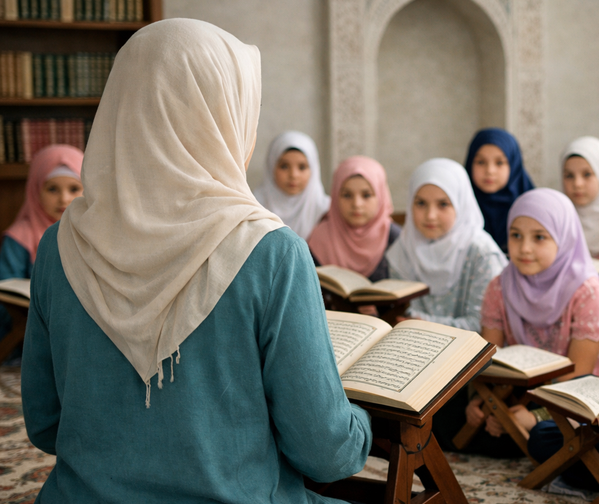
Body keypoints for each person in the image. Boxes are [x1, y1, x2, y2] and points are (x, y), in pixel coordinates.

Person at [21, 19, 371, 503]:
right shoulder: (272, 252)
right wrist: (362, 425)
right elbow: (325, 453)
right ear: (220, 116)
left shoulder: (58, 247)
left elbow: (44, 426)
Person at [447, 188, 599, 457]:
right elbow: (490, 363)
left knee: (545, 438)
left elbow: (578, 378)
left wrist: (535, 416)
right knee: (446, 413)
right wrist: (482, 402)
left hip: (595, 397)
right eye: (516, 235)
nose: (524, 248)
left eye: (539, 237)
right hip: (527, 393)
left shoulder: (587, 293)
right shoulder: (500, 287)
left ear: (563, 238)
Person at [386, 158, 506, 331]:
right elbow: (399, 313)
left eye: (443, 204)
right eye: (421, 203)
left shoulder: (481, 253)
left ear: (460, 205)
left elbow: (483, 326)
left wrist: (423, 324)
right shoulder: (402, 249)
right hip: (412, 350)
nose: (430, 216)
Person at [0, 144, 82, 350]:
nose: (64, 199)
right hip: (28, 335)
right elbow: (6, 291)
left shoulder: (94, 234)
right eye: (52, 189)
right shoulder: (20, 237)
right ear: (36, 190)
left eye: (74, 189)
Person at [307, 155, 400, 282]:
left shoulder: (395, 239)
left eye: (366, 195)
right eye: (347, 195)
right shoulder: (320, 238)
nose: (356, 204)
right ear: (335, 196)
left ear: (381, 196)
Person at [464, 128, 535, 254]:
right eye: (481, 162)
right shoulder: (458, 206)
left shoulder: (532, 207)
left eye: (500, 163)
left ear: (514, 165)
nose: (490, 170)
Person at [253, 130, 329, 240]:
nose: (293, 175)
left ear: (313, 169)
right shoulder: (255, 207)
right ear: (271, 167)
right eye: (284, 166)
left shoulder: (326, 211)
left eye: (302, 167)